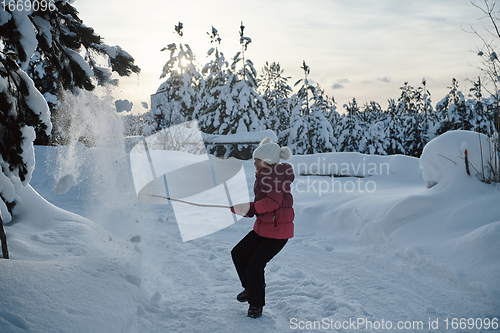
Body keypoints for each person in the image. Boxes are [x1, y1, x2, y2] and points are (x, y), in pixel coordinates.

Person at [230, 138, 295, 319]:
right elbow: (262, 204)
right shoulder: (265, 175)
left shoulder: (275, 176)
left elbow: (273, 202)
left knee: (254, 266)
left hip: (277, 233)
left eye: (257, 159)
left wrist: (251, 208)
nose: (254, 162)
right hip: (265, 227)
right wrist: (245, 208)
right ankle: (251, 290)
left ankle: (256, 304)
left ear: (267, 160)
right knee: (239, 253)